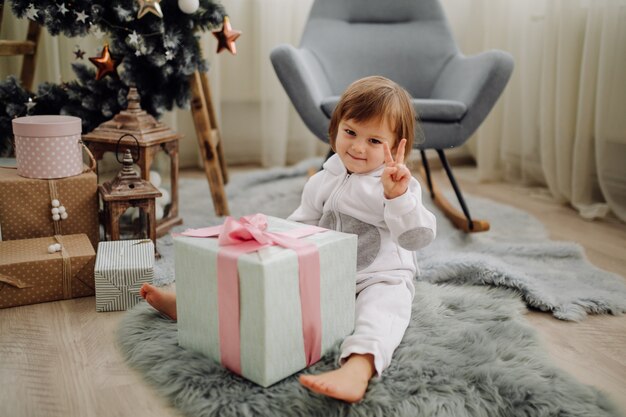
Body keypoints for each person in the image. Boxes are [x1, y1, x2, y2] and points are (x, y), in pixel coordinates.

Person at [140, 75, 436, 403]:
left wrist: (398, 198)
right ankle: (195, 306)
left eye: (374, 141)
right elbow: (299, 226)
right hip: (326, 270)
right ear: (335, 129)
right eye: (350, 132)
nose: (357, 147)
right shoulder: (323, 180)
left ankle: (358, 367)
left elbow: (416, 237)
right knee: (268, 285)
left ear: (396, 147)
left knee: (382, 311)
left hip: (379, 276)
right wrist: (273, 250)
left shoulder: (396, 186)